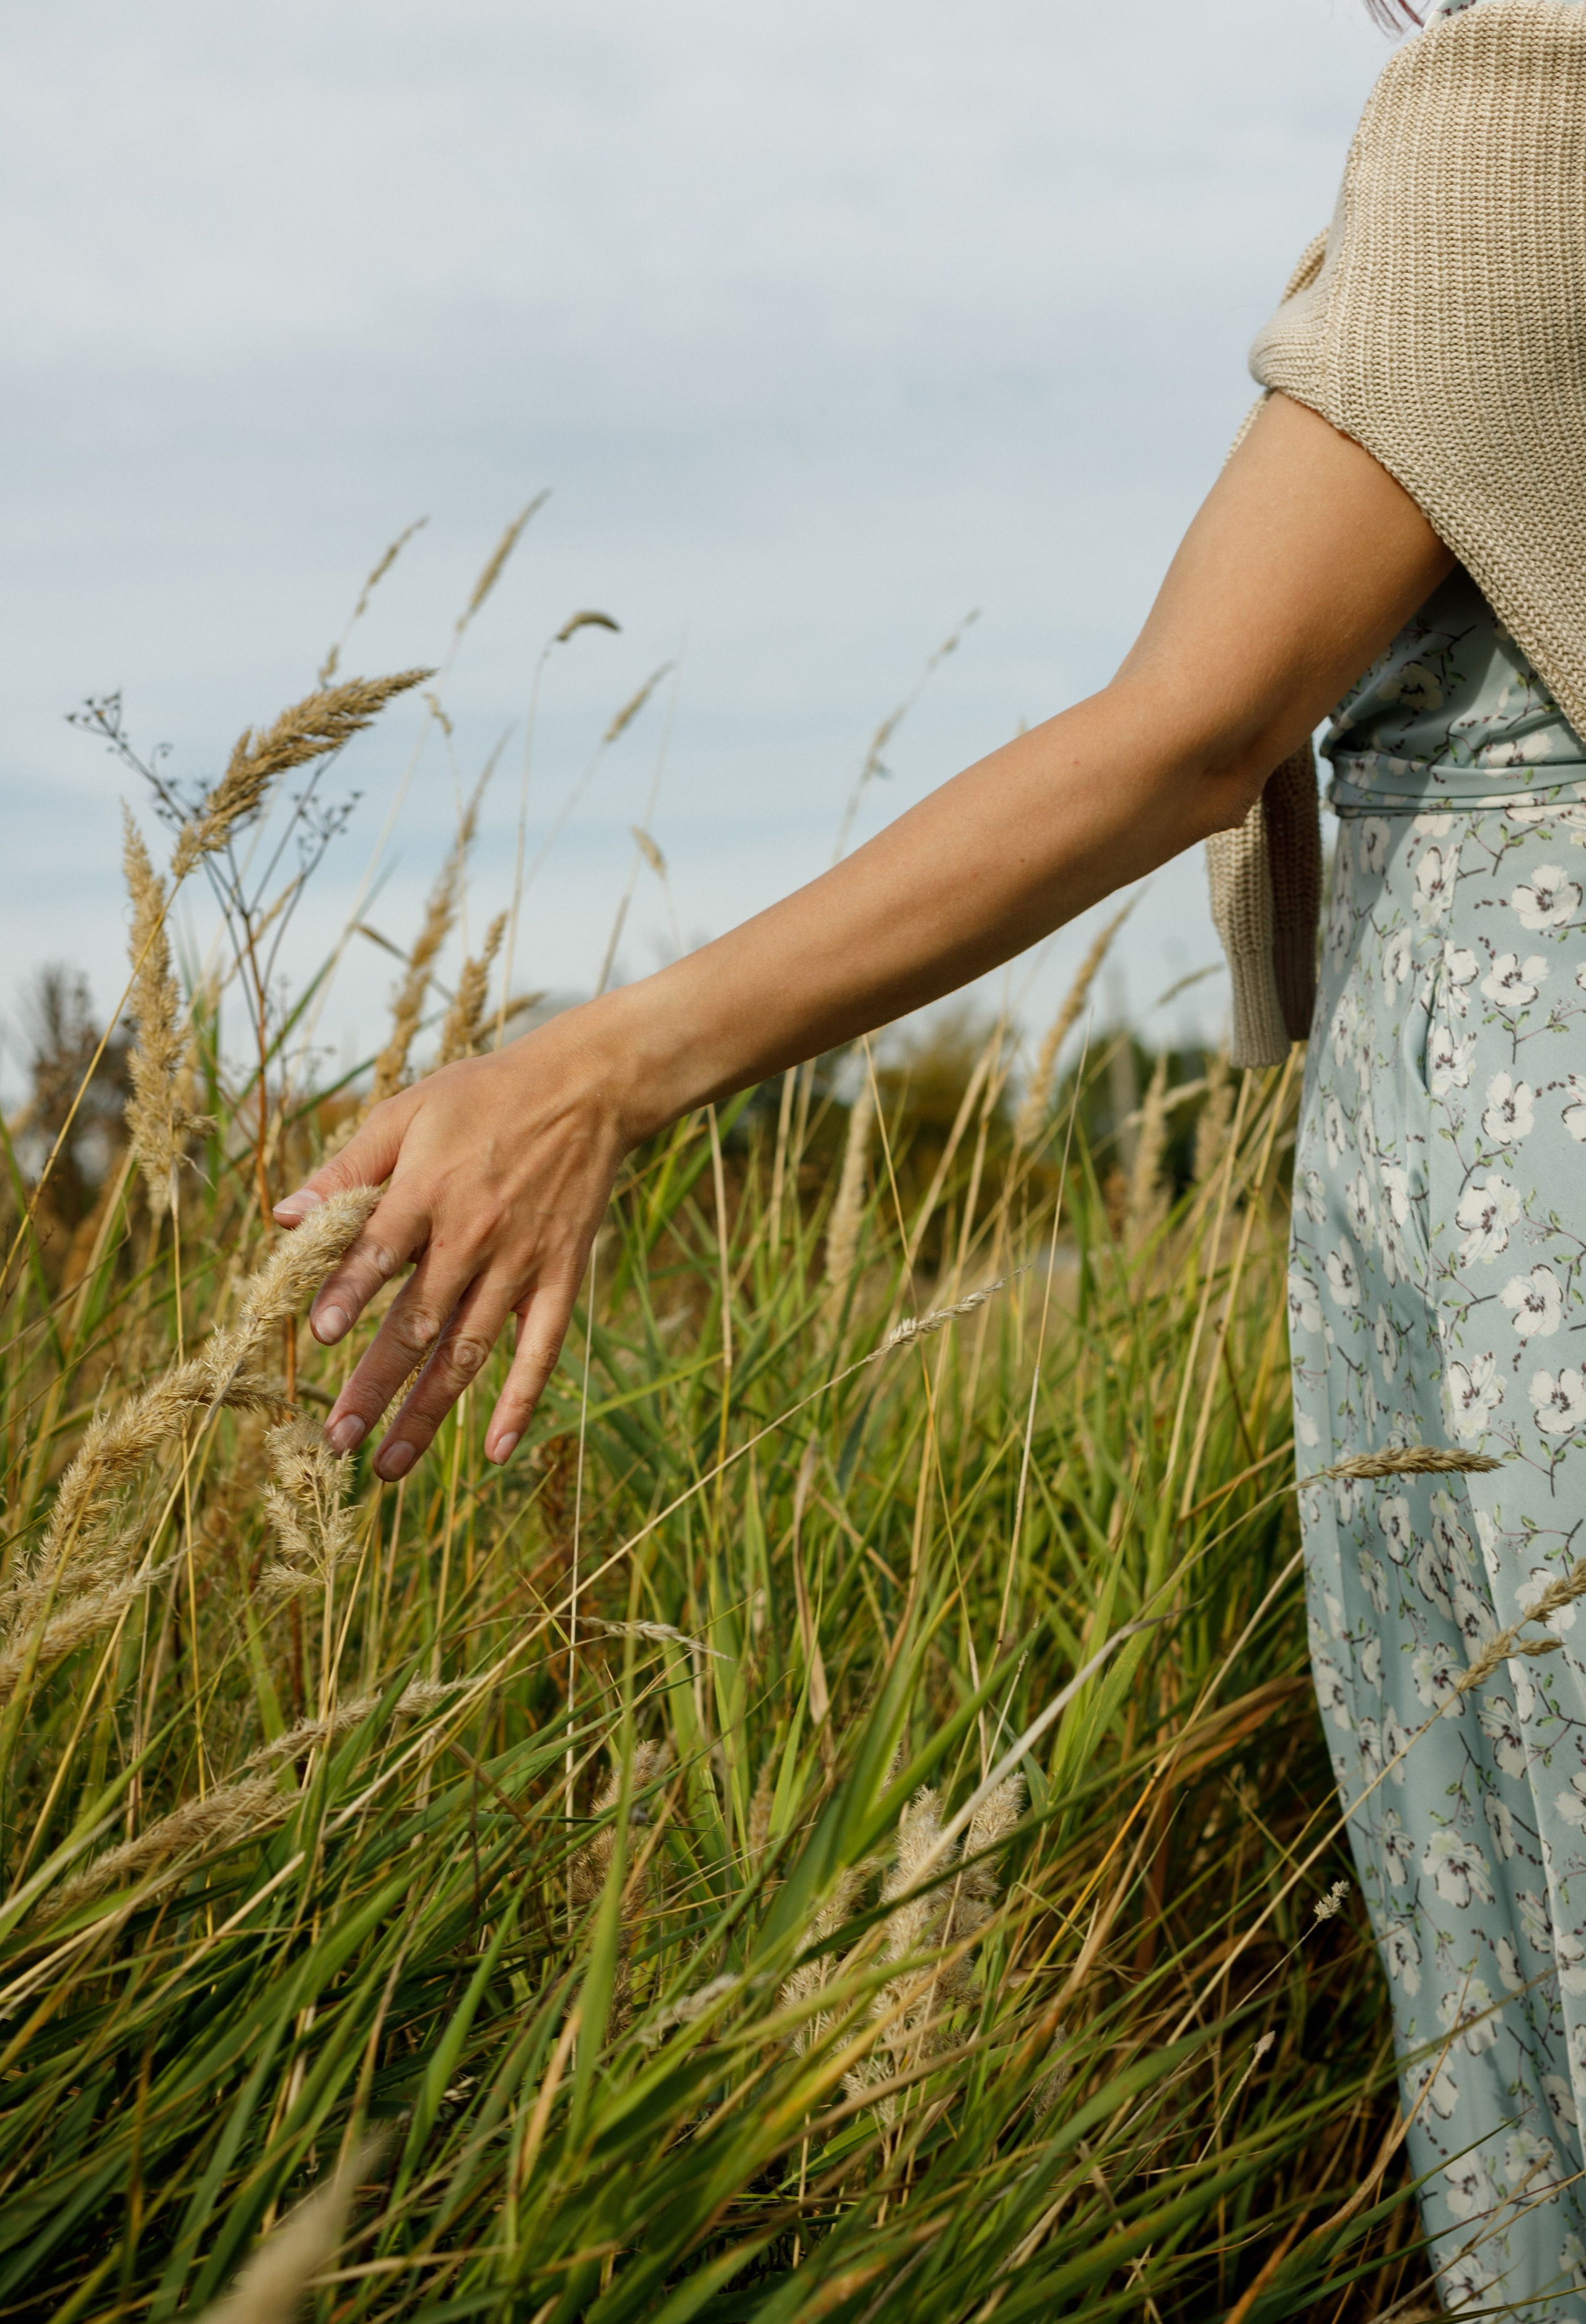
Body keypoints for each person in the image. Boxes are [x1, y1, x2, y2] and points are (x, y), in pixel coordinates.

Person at [275, 0, 1586, 2307]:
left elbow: (1189, 724)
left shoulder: (1522, 111)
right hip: (1448, 1167)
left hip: (1531, 1193)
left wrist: (606, 1070)